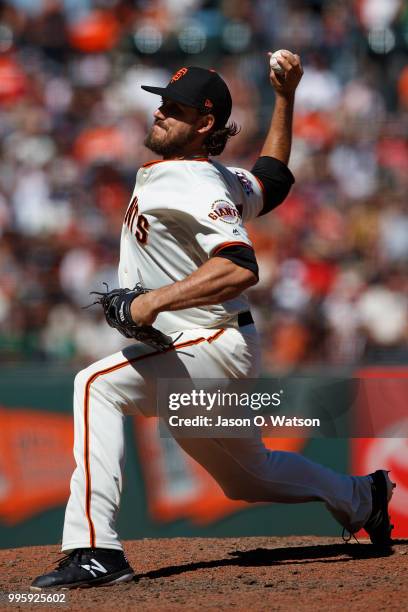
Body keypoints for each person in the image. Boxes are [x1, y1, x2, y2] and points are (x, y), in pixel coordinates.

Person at [31, 52, 395, 591]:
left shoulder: (192, 182)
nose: (160, 113)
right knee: (249, 477)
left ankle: (95, 550)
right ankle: (363, 496)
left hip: (208, 343)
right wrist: (285, 99)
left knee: (95, 387)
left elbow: (240, 265)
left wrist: (152, 303)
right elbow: (272, 178)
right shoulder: (217, 178)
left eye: (175, 108)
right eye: (161, 102)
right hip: (211, 346)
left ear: (204, 123)